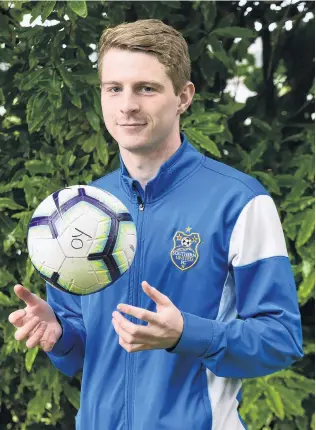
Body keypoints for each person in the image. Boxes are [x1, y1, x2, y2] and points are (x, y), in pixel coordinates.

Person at [9, 19, 303, 430]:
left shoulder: (240, 202)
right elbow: (78, 355)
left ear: (183, 97)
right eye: (114, 88)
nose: (127, 105)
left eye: (146, 88)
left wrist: (187, 334)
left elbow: (281, 340)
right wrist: (58, 333)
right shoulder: (80, 208)